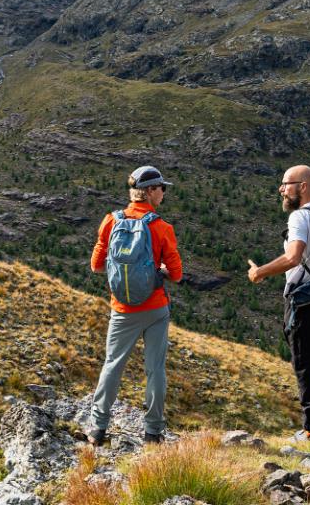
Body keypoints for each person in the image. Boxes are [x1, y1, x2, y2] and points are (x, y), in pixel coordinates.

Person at [247, 164, 310, 440]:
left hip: (304, 296)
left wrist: (260, 271)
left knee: (303, 361)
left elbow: (293, 257)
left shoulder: (300, 217)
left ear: (303, 186)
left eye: (286, 184)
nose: (281, 189)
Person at [88, 164, 182, 446]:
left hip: (122, 310)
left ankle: (97, 428)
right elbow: (176, 274)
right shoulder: (162, 227)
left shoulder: (111, 221)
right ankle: (152, 432)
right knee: (155, 369)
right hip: (154, 309)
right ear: (150, 192)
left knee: (112, 365)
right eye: (161, 188)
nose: (163, 193)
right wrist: (159, 270)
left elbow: (96, 266)